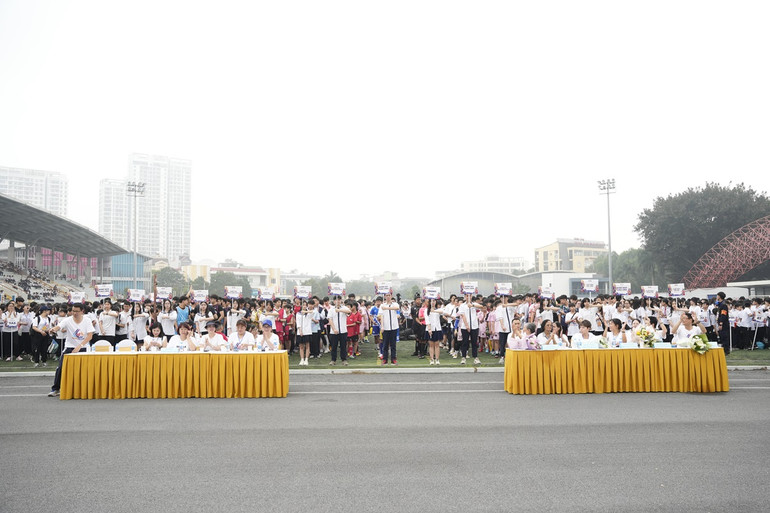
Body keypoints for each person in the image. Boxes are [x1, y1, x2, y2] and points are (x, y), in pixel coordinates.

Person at [48, 303, 95, 397]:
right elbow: (59, 326)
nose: (74, 313)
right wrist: (53, 329)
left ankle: (83, 389)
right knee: (61, 367)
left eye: (77, 311)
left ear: (82, 311)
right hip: (69, 347)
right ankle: (56, 389)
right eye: (73, 311)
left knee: (84, 369)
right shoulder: (68, 320)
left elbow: (90, 336)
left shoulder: (87, 320)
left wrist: (79, 346)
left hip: (83, 348)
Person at [457, 294, 483, 365]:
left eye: (470, 295)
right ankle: (463, 357)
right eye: (467, 296)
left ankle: (475, 357)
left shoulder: (474, 304)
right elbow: (463, 315)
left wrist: (473, 306)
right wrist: (467, 325)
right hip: (465, 327)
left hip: (474, 326)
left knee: (474, 342)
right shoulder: (462, 305)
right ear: (465, 297)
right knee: (465, 342)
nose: (469, 297)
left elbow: (482, 307)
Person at [327, 296, 350, 366]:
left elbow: (349, 311)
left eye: (339, 300)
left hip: (343, 330)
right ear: (334, 301)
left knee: (343, 346)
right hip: (334, 331)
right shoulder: (331, 309)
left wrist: (340, 310)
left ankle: (344, 359)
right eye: (336, 300)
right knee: (334, 346)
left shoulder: (344, 308)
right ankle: (333, 360)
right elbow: (330, 319)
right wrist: (334, 329)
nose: (338, 301)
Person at [378, 293, 400, 365]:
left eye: (389, 295)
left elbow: (397, 308)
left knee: (393, 345)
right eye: (386, 296)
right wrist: (382, 326)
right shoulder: (382, 305)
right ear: (385, 297)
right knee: (385, 344)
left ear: (391, 296)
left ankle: (393, 359)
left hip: (394, 327)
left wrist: (387, 308)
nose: (388, 297)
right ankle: (385, 360)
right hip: (386, 327)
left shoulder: (394, 304)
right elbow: (381, 316)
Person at [296, 301, 313, 365]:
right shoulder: (298, 313)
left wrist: (305, 312)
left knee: (307, 346)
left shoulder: (309, 312)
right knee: (301, 346)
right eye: (303, 305)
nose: (304, 306)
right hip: (300, 332)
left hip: (307, 331)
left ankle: (306, 359)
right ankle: (302, 359)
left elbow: (312, 312)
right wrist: (300, 330)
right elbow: (298, 322)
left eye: (306, 305)